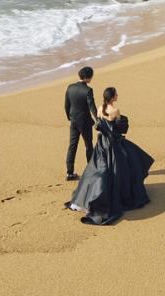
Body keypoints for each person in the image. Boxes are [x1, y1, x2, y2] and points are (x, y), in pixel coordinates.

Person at [66, 86, 155, 225]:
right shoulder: (115, 110)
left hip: (102, 143)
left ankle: (89, 195)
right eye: (116, 94)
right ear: (112, 97)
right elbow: (120, 129)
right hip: (113, 144)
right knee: (128, 162)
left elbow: (101, 125)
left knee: (98, 168)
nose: (117, 95)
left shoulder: (100, 108)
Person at [63, 65, 97, 181]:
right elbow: (92, 108)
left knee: (72, 146)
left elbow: (66, 105)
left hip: (74, 120)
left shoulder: (70, 87)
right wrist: (98, 121)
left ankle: (69, 173)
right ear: (89, 77)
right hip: (85, 122)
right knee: (88, 145)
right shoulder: (88, 90)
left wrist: (70, 117)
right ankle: (91, 172)